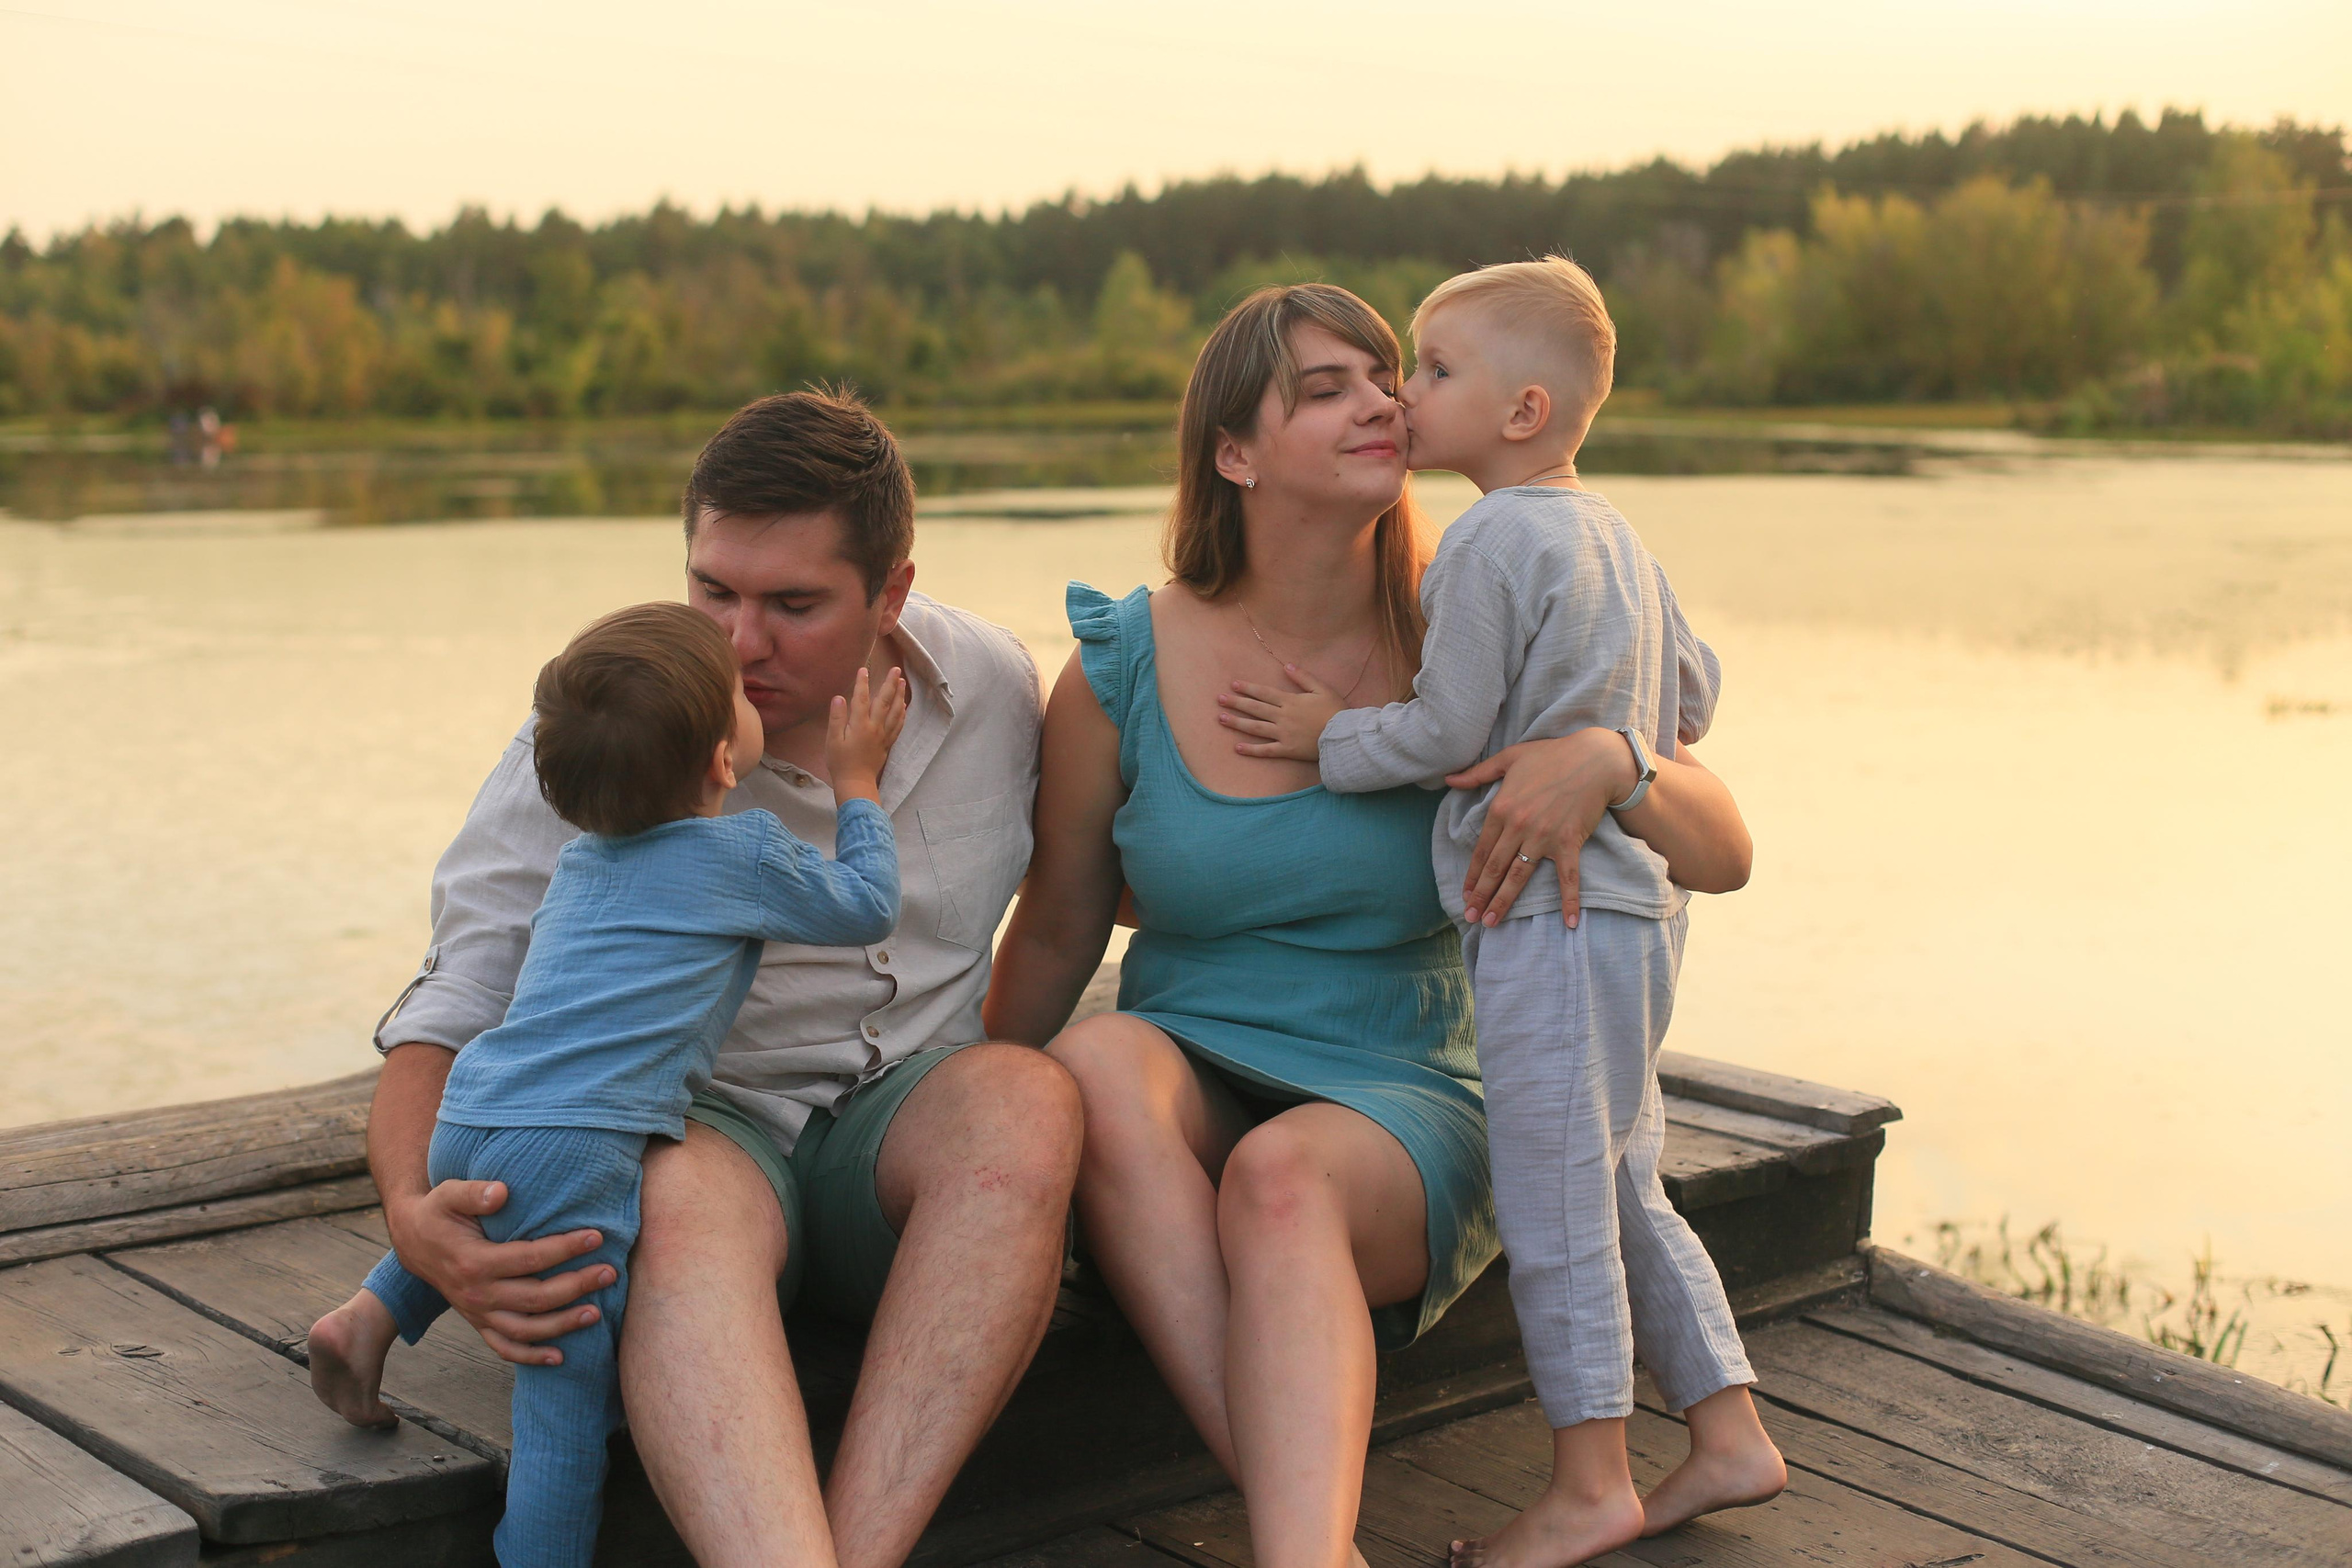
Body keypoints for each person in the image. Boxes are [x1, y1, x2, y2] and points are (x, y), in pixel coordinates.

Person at [984, 283, 1758, 1568]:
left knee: (1280, 1178)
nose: (1382, 400)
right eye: (1325, 385)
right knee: (1093, 1063)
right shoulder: (1121, 658)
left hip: (1418, 1083)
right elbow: (1060, 925)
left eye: (1387, 372)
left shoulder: (1489, 594)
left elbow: (1724, 851)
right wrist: (959, 1104)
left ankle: (1298, 1546)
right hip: (1193, 1054)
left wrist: (1612, 761)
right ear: (1233, 453)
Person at [364, 392, 1082, 1568]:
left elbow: (1102, 880)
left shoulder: (997, 686)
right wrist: (412, 1215)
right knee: (679, 1187)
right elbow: (455, 998)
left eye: (793, 605)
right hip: (703, 1140)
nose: (740, 642)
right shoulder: (614, 733)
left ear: (890, 593)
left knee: (1029, 1099)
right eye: (714, 591)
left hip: (895, 1142)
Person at [1214, 257, 1787, 1566]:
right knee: (1627, 1169)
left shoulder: (1485, 537)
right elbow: (1691, 697)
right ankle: (1727, 1426)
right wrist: (1603, 720)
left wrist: (1328, 735)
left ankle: (1591, 1478)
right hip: (1639, 913)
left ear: (1522, 412)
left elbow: (1447, 725)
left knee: (1553, 1193)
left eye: (1430, 368)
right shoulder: (1618, 540)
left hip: (1544, 911)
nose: (1406, 395)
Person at [311, 604, 904, 1568]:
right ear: (723, 761)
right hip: (575, 1146)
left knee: (484, 1211)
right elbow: (867, 905)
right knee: (564, 1413)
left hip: (474, 1110)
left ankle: (369, 1316)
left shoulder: (581, 862)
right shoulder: (741, 854)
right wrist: (856, 785)